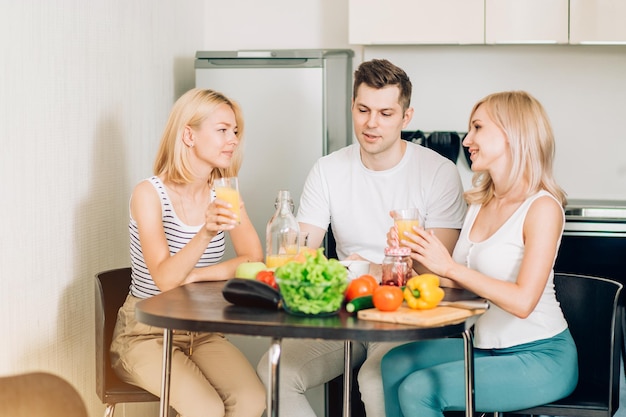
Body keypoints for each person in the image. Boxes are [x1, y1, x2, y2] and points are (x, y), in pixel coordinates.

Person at [257, 59, 467, 416]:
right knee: (275, 370)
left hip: (404, 315)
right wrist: (286, 242)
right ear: (352, 107)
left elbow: (437, 268)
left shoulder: (438, 173)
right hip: (347, 313)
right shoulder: (328, 170)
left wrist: (365, 266)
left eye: (386, 113)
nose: (372, 123)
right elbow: (299, 251)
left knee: (374, 378)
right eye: (363, 109)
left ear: (406, 117)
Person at [381, 90, 578, 417]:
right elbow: (456, 284)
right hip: (484, 347)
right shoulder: (480, 203)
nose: (467, 139)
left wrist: (450, 268)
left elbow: (522, 302)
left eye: (477, 128)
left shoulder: (542, 208)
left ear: (512, 134)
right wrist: (413, 256)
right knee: (395, 362)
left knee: (419, 390)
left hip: (540, 356)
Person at [110, 88, 266, 417]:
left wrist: (197, 276)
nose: (233, 139)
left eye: (235, 131)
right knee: (205, 409)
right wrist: (207, 232)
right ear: (189, 135)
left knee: (253, 400)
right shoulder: (149, 194)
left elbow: (254, 259)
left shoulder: (223, 191)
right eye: (222, 130)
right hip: (146, 334)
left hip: (203, 331)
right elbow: (166, 280)